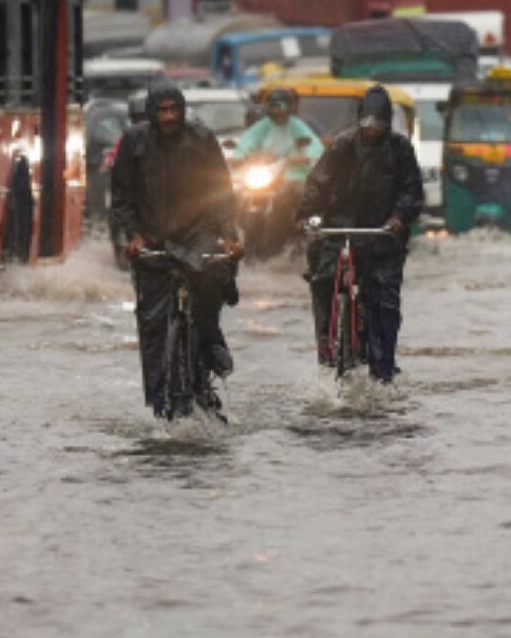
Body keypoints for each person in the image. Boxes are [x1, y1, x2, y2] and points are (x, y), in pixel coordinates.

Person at [110, 82, 243, 417]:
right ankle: (159, 401)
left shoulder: (202, 139)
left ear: (183, 111)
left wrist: (227, 233)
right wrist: (134, 235)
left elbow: (222, 192)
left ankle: (211, 354)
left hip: (198, 232)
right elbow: (122, 197)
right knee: (152, 323)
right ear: (152, 114)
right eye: (162, 111)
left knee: (209, 286)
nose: (169, 117)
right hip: (152, 237)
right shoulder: (134, 141)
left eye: (174, 110)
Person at [295, 85, 424, 384]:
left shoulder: (400, 148)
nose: (372, 129)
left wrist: (398, 218)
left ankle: (384, 371)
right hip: (340, 230)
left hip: (382, 237)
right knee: (322, 281)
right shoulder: (342, 146)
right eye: (367, 123)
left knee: (385, 303)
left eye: (378, 124)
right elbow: (317, 184)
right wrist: (306, 216)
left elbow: (411, 191)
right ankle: (327, 350)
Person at [232, 88, 324, 244]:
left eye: (279, 106)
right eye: (273, 106)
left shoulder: (296, 126)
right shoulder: (263, 126)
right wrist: (240, 157)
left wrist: (305, 156)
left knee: (300, 195)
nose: (276, 110)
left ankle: (298, 228)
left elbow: (314, 146)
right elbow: (246, 143)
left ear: (288, 107)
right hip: (266, 174)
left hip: (294, 175)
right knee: (239, 195)